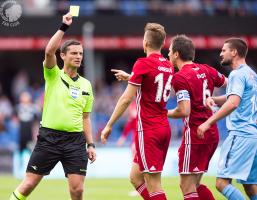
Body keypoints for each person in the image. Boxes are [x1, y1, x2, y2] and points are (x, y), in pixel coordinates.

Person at [10, 13, 96, 200]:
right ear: (63, 56)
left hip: (75, 142)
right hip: (49, 138)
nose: (78, 56)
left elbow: (85, 117)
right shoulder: (53, 75)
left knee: (77, 190)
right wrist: (63, 27)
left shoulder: (86, 85)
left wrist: (90, 144)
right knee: (28, 185)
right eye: (74, 53)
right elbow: (49, 51)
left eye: (80, 53)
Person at [101, 23, 174, 200]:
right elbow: (152, 83)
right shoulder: (168, 65)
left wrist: (109, 125)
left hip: (148, 130)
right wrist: (132, 77)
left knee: (154, 184)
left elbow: (126, 98)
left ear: (145, 43)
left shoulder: (142, 63)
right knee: (135, 177)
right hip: (164, 127)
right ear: (163, 43)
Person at [167, 35, 226, 200]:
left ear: (177, 54)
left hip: (195, 134)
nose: (168, 55)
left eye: (170, 51)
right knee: (195, 185)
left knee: (186, 186)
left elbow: (184, 111)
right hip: (211, 132)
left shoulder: (180, 78)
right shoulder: (207, 69)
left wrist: (162, 112)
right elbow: (232, 84)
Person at [197, 38, 257, 200]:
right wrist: (215, 100)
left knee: (221, 183)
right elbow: (237, 97)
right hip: (253, 136)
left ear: (234, 52)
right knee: (250, 186)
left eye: (224, 50)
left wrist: (208, 122)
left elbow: (233, 103)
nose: (221, 54)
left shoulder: (236, 74)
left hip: (240, 134)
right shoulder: (251, 74)